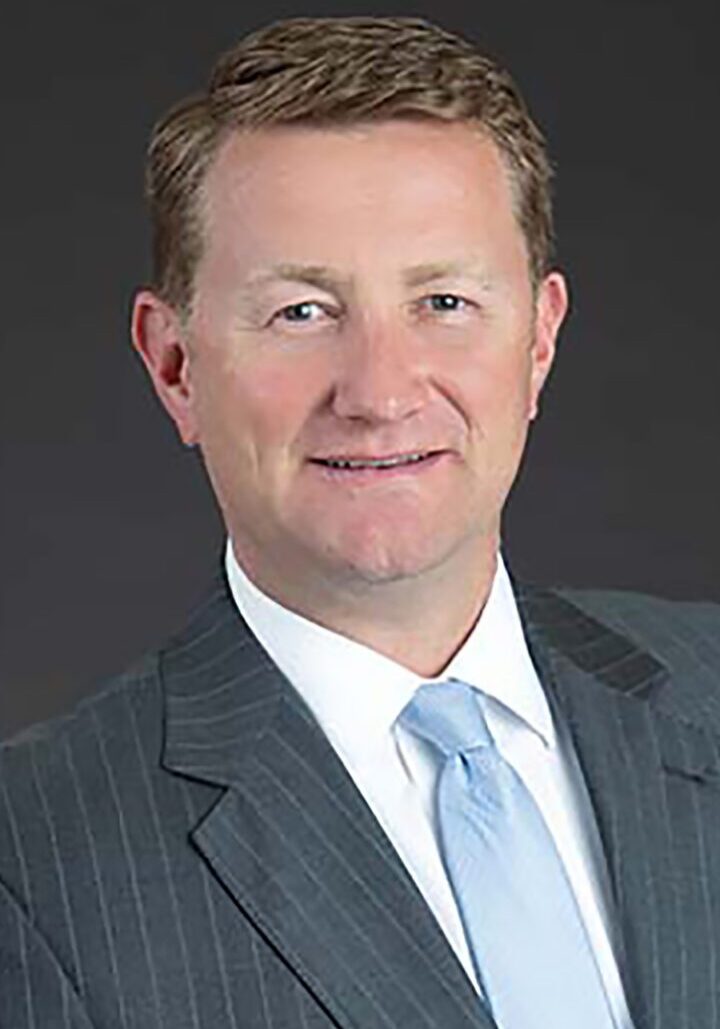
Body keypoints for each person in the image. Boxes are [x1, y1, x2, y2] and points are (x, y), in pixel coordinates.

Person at [1, 15, 719, 1029]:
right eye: (302, 312)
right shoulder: (31, 861)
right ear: (176, 367)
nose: (380, 393)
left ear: (540, 341)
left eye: (444, 302)